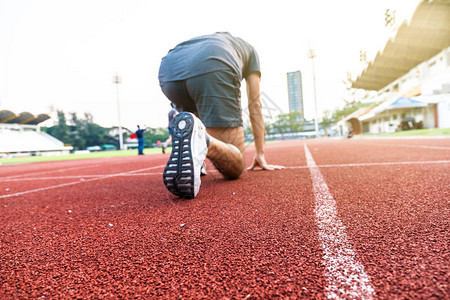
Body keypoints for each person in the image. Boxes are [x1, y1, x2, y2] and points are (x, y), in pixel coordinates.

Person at [159, 32, 283, 199]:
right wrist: (260, 153)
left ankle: (197, 157)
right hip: (213, 62)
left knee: (192, 121)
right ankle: (203, 141)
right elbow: (255, 104)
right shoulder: (249, 51)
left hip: (169, 71)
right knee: (235, 166)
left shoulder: (209, 41)